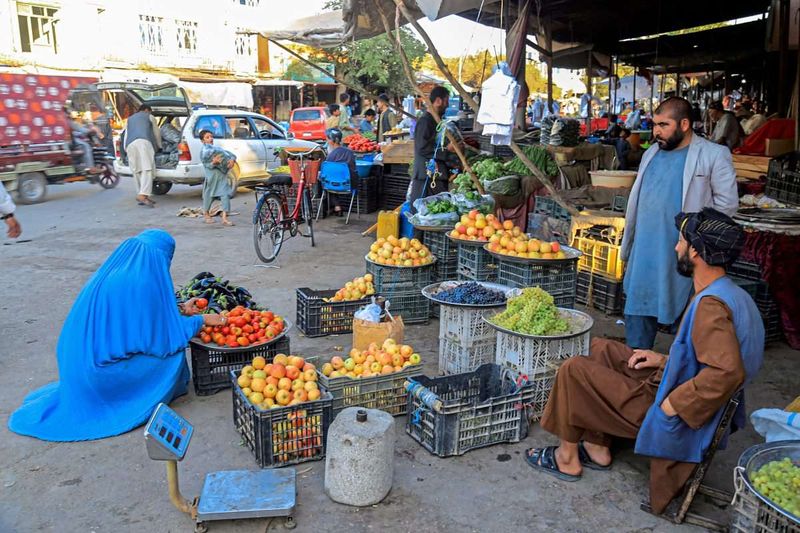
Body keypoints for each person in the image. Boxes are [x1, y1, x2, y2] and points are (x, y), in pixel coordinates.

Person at [526, 208, 764, 515]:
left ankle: (567, 457)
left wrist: (671, 405)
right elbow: (713, 356)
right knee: (602, 348)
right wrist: (665, 359)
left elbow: (726, 371)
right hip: (675, 383)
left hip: (671, 408)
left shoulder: (711, 307)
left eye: (681, 242)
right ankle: (597, 448)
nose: (676, 247)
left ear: (695, 251)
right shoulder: (730, 292)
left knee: (574, 370)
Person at [8, 229, 228, 441]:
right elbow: (161, 338)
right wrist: (201, 320)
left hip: (75, 366)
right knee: (173, 352)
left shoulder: (118, 272)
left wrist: (180, 309)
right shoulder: (142, 282)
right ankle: (138, 398)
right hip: (96, 377)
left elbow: (138, 318)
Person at [621, 97, 738, 350]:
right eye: (654, 124)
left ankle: (681, 375)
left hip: (685, 253)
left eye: (664, 124)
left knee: (687, 322)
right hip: (644, 251)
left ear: (684, 124)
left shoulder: (713, 155)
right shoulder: (651, 153)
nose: (656, 131)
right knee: (638, 311)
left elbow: (727, 206)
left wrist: (696, 235)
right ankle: (636, 367)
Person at [410, 86, 458, 212]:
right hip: (426, 176)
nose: (447, 105)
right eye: (446, 101)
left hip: (436, 176)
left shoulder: (437, 121)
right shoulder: (425, 121)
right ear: (438, 101)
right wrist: (447, 151)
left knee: (437, 214)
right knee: (421, 215)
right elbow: (423, 148)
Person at [124, 104, 162, 207]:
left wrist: (125, 149)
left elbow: (126, 135)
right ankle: (143, 194)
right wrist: (160, 146)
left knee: (136, 170)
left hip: (130, 145)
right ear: (146, 110)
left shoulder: (130, 119)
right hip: (143, 143)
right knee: (147, 169)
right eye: (150, 111)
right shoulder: (149, 116)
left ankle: (142, 194)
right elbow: (156, 133)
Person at [199, 130, 235, 226]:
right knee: (209, 197)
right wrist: (213, 163)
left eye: (211, 136)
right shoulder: (204, 153)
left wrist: (232, 160)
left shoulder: (217, 149)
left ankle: (224, 218)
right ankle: (206, 214)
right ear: (202, 141)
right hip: (212, 179)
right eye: (207, 137)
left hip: (221, 177)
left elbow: (230, 155)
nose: (211, 139)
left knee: (225, 195)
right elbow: (206, 164)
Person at [323, 128, 357, 217]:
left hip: (332, 186)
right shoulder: (350, 152)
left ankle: (337, 207)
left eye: (327, 139)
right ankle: (337, 207)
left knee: (328, 182)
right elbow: (353, 170)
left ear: (331, 141)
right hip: (349, 185)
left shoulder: (330, 156)